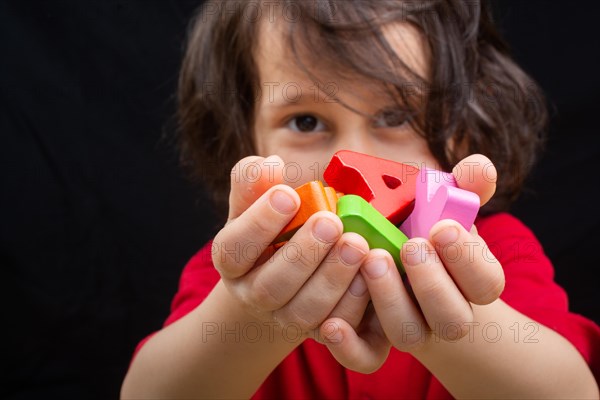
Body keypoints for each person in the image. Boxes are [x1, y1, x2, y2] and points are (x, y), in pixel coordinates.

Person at [121, 1, 600, 398]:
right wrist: (253, 311)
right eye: (305, 121)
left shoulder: (497, 251)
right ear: (246, 140)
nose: (352, 161)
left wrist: (459, 323)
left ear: (461, 131)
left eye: (395, 115)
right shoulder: (234, 270)